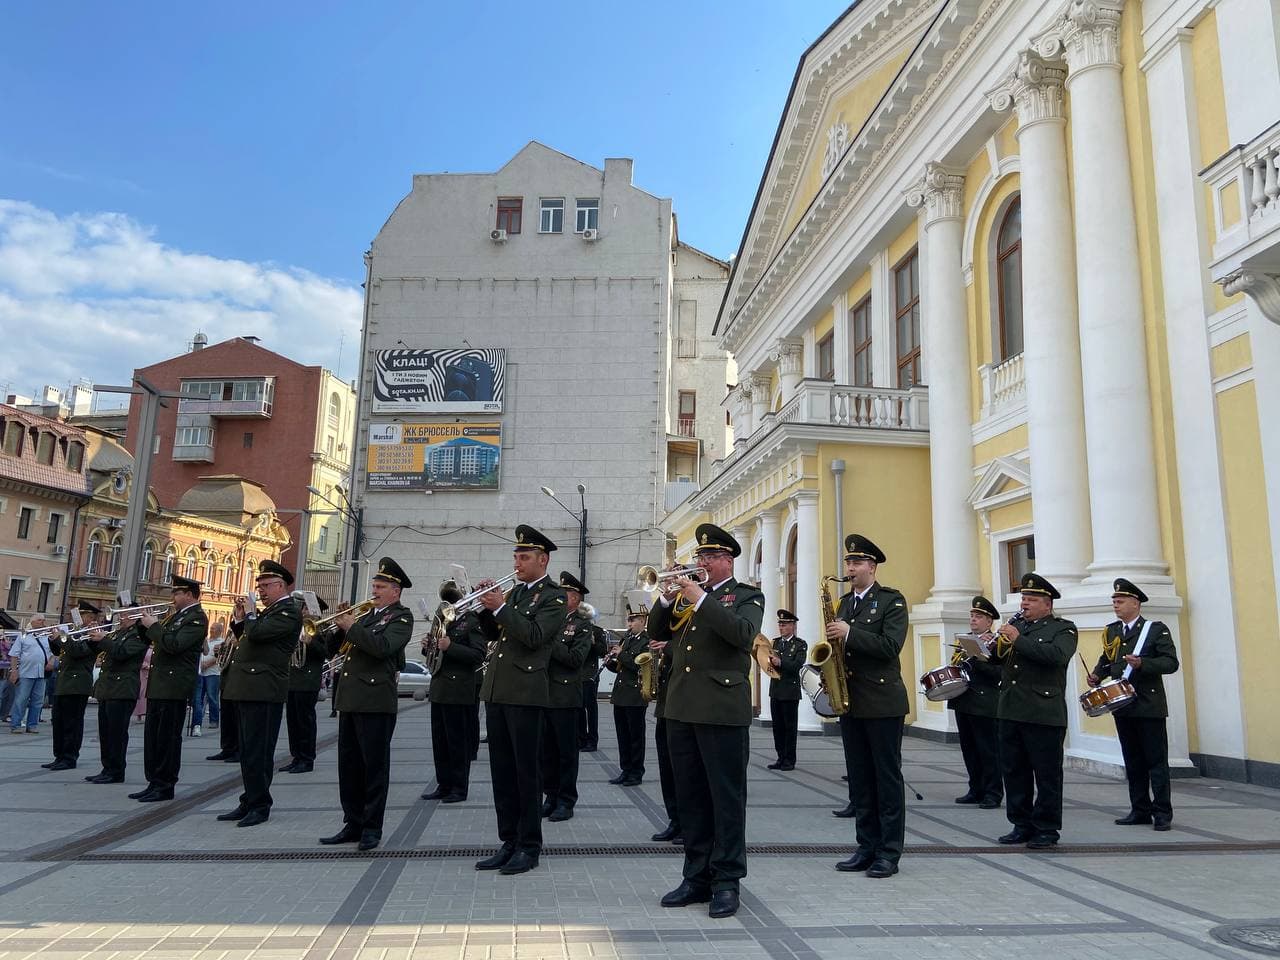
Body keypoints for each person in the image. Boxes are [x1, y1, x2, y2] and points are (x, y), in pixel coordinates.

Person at [649, 523, 764, 920]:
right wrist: (665, 601)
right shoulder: (685, 599)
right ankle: (695, 876)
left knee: (726, 798)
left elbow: (742, 634)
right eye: (700, 557)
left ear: (728, 561)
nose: (702, 563)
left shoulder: (747, 596)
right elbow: (656, 631)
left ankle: (727, 880)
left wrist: (700, 598)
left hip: (721, 709)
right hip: (681, 707)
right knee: (692, 797)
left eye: (711, 557)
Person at [473, 525, 566, 876]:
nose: (517, 562)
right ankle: (508, 840)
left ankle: (529, 845)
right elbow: (493, 633)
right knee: (503, 773)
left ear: (542, 560)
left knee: (526, 774)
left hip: (526, 694)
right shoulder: (514, 595)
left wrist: (500, 608)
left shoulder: (553, 597)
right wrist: (486, 606)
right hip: (498, 690)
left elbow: (534, 636)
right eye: (515, 556)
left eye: (524, 557)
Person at [824, 534, 909, 879]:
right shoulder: (845, 603)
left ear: (872, 567)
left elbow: (890, 646)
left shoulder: (893, 601)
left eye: (857, 563)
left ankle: (889, 852)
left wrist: (849, 632)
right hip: (851, 700)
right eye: (848, 562)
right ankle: (865, 846)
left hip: (883, 700)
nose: (850, 568)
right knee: (859, 779)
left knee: (886, 779)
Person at [320, 558, 415, 851]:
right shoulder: (366, 617)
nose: (373, 591)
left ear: (395, 591)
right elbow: (329, 650)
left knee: (373, 768)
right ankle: (353, 822)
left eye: (380, 587)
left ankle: (372, 828)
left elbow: (382, 648)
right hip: (350, 700)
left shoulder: (401, 617)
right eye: (374, 585)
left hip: (376, 702)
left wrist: (352, 627)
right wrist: (339, 627)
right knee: (348, 767)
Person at [1088, 578, 1180, 831]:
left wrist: (1143, 664)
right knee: (1133, 760)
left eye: (1120, 601)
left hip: (1149, 705)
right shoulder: (1113, 631)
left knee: (1156, 761)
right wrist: (1097, 675)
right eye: (1114, 602)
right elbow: (1107, 658)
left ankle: (1162, 812)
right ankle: (1139, 809)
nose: (1115, 605)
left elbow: (1171, 662)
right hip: (1123, 705)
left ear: (1135, 603)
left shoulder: (1155, 629)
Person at [996, 572, 1078, 849]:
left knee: (1046, 774)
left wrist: (1017, 639)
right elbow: (999, 661)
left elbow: (1055, 657)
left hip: (1043, 712)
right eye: (1023, 598)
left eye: (1031, 599)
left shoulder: (1063, 629)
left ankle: (1046, 828)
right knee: (1014, 770)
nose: (1024, 604)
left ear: (1048, 604)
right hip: (1011, 709)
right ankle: (1021, 824)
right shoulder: (1020, 627)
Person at [218, 560, 301, 828]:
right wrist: (241, 619)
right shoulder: (270, 612)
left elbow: (258, 635)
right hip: (249, 688)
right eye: (260, 586)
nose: (261, 591)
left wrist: (251, 615)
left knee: (259, 751)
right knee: (248, 751)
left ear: (281, 586)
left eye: (266, 586)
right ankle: (249, 799)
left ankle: (260, 804)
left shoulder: (288, 612)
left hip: (265, 690)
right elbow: (248, 637)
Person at [129, 576, 207, 803]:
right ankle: (154, 781)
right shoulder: (176, 617)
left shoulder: (196, 618)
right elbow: (156, 640)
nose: (173, 597)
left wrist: (154, 625)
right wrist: (144, 622)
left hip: (174, 686)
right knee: (153, 737)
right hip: (160, 685)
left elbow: (173, 645)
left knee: (167, 738)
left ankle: (165, 785)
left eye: (177, 593)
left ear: (190, 595)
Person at [421, 578, 488, 803]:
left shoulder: (471, 621)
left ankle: (459, 788)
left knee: (457, 743)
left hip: (459, 689)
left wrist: (451, 647)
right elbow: (435, 653)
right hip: (440, 687)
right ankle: (443, 784)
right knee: (440, 742)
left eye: (456, 598)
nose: (451, 602)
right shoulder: (444, 620)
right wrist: (428, 647)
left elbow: (478, 655)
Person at [540, 572, 592, 821]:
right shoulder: (553, 620)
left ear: (575, 598)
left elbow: (575, 660)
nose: (559, 599)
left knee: (566, 753)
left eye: (564, 595)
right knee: (546, 752)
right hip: (544, 694)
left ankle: (566, 801)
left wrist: (550, 642)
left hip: (566, 696)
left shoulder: (582, 625)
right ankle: (550, 796)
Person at [948, 596, 1006, 809]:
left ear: (989, 621)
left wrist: (979, 659)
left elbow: (1000, 673)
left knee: (988, 750)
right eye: (972, 616)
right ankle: (975, 789)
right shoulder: (964, 640)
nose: (973, 620)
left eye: (978, 617)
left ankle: (993, 792)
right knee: (969, 748)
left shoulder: (998, 642)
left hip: (985, 702)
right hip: (964, 699)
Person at [85, 612, 147, 783]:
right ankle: (107, 768)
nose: (121, 618)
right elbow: (97, 650)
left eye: (125, 615)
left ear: (135, 618)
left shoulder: (139, 635)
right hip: (108, 688)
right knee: (105, 732)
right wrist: (92, 637)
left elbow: (121, 653)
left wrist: (104, 639)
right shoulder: (118, 633)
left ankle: (116, 771)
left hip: (122, 689)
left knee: (117, 733)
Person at [43, 602, 102, 770]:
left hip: (77, 684)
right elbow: (58, 652)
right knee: (59, 721)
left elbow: (78, 651)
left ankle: (69, 757)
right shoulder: (76, 633)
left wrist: (62, 637)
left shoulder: (93, 635)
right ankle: (59, 755)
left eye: (82, 616)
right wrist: (53, 639)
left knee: (72, 723)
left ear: (90, 618)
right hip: (63, 683)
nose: (78, 619)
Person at [643, 589, 682, 844]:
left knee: (685, 770)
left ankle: (690, 824)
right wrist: (666, 599)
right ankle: (675, 820)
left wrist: (669, 647)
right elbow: (655, 631)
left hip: (690, 697)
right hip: (669, 697)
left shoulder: (709, 601)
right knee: (668, 767)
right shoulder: (677, 602)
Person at [281, 598, 329, 774]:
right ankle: (296, 756)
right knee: (293, 722)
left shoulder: (320, 628)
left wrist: (312, 642)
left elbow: (326, 653)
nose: (303, 610)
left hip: (308, 681)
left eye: (308, 607)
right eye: (303, 607)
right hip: (292, 679)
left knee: (305, 722)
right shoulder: (296, 627)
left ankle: (307, 759)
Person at [607, 604, 650, 787]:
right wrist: (610, 660)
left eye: (633, 620)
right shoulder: (628, 638)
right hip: (621, 693)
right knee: (622, 735)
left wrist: (621, 654)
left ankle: (636, 772)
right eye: (628, 620)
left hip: (635, 694)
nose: (629, 623)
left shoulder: (646, 641)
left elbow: (638, 666)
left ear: (642, 621)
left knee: (635, 737)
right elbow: (621, 668)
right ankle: (625, 769)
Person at [766, 609, 807, 771]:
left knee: (789, 728)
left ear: (793, 626)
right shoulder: (775, 643)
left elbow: (797, 665)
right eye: (780, 625)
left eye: (784, 625)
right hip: (775, 691)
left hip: (790, 692)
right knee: (777, 727)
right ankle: (780, 757)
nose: (781, 628)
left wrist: (780, 663)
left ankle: (789, 759)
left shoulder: (799, 644)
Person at [8, 614, 53, 734]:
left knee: (38, 701)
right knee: (21, 699)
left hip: (41, 673)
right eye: (39, 620)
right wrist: (14, 671)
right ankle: (16, 724)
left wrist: (51, 661)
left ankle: (32, 725)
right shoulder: (23, 635)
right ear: (32, 622)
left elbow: (54, 652)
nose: (42, 622)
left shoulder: (46, 637)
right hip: (26, 672)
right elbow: (14, 654)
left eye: (43, 620)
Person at [578, 605, 608, 752]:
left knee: (591, 709)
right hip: (575, 675)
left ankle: (592, 740)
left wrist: (594, 642)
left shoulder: (597, 631)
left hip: (589, 675)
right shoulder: (575, 628)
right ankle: (581, 739)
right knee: (578, 709)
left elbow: (603, 652)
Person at [192, 621, 226, 737]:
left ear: (219, 631)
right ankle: (197, 721)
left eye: (213, 629)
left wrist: (207, 664)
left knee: (212, 697)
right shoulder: (206, 640)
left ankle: (214, 720)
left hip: (213, 673)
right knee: (198, 698)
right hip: (201, 673)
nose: (211, 630)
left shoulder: (221, 642)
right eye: (211, 628)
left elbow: (220, 657)